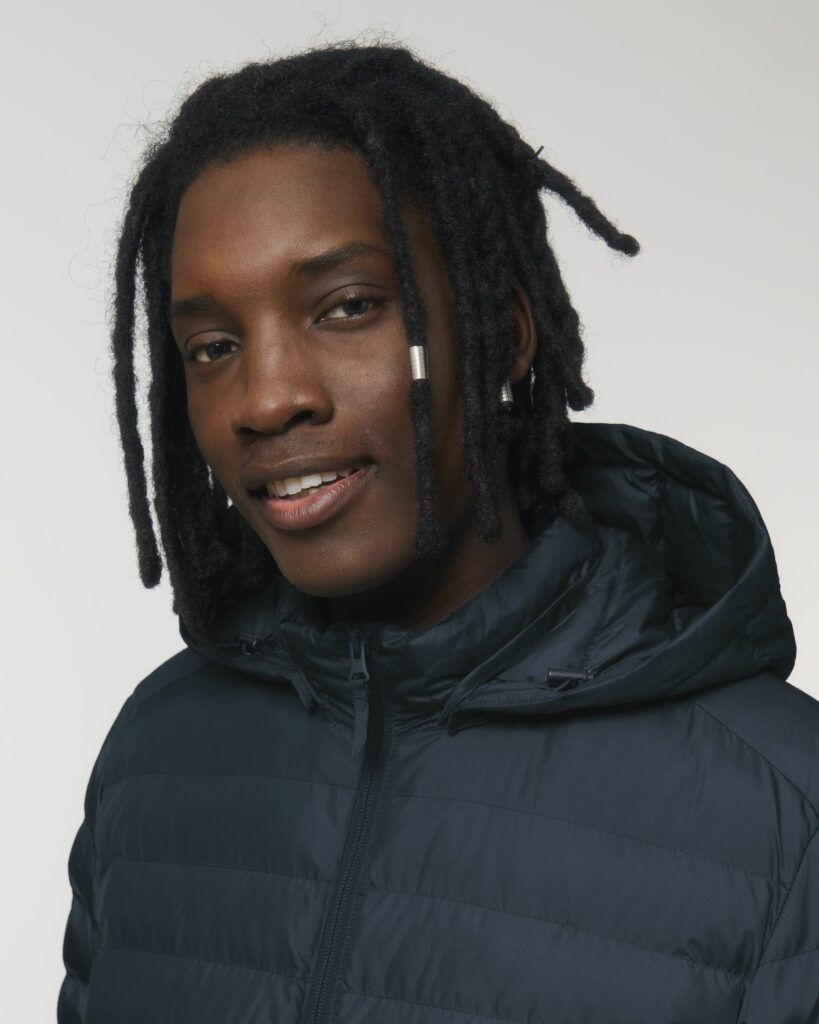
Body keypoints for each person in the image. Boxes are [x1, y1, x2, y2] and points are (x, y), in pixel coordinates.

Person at [58, 41, 818, 1024]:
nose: (267, 398)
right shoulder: (157, 751)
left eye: (348, 307)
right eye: (212, 346)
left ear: (505, 332)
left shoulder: (785, 808)